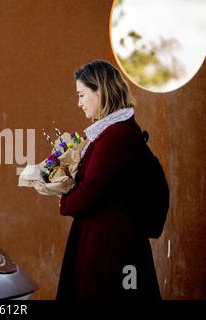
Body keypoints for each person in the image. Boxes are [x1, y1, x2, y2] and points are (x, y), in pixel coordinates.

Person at [56, 60, 161, 300]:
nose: (79, 103)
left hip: (112, 248)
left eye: (82, 95)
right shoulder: (116, 131)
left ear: (100, 91)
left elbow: (91, 190)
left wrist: (64, 200)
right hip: (111, 241)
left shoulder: (116, 136)